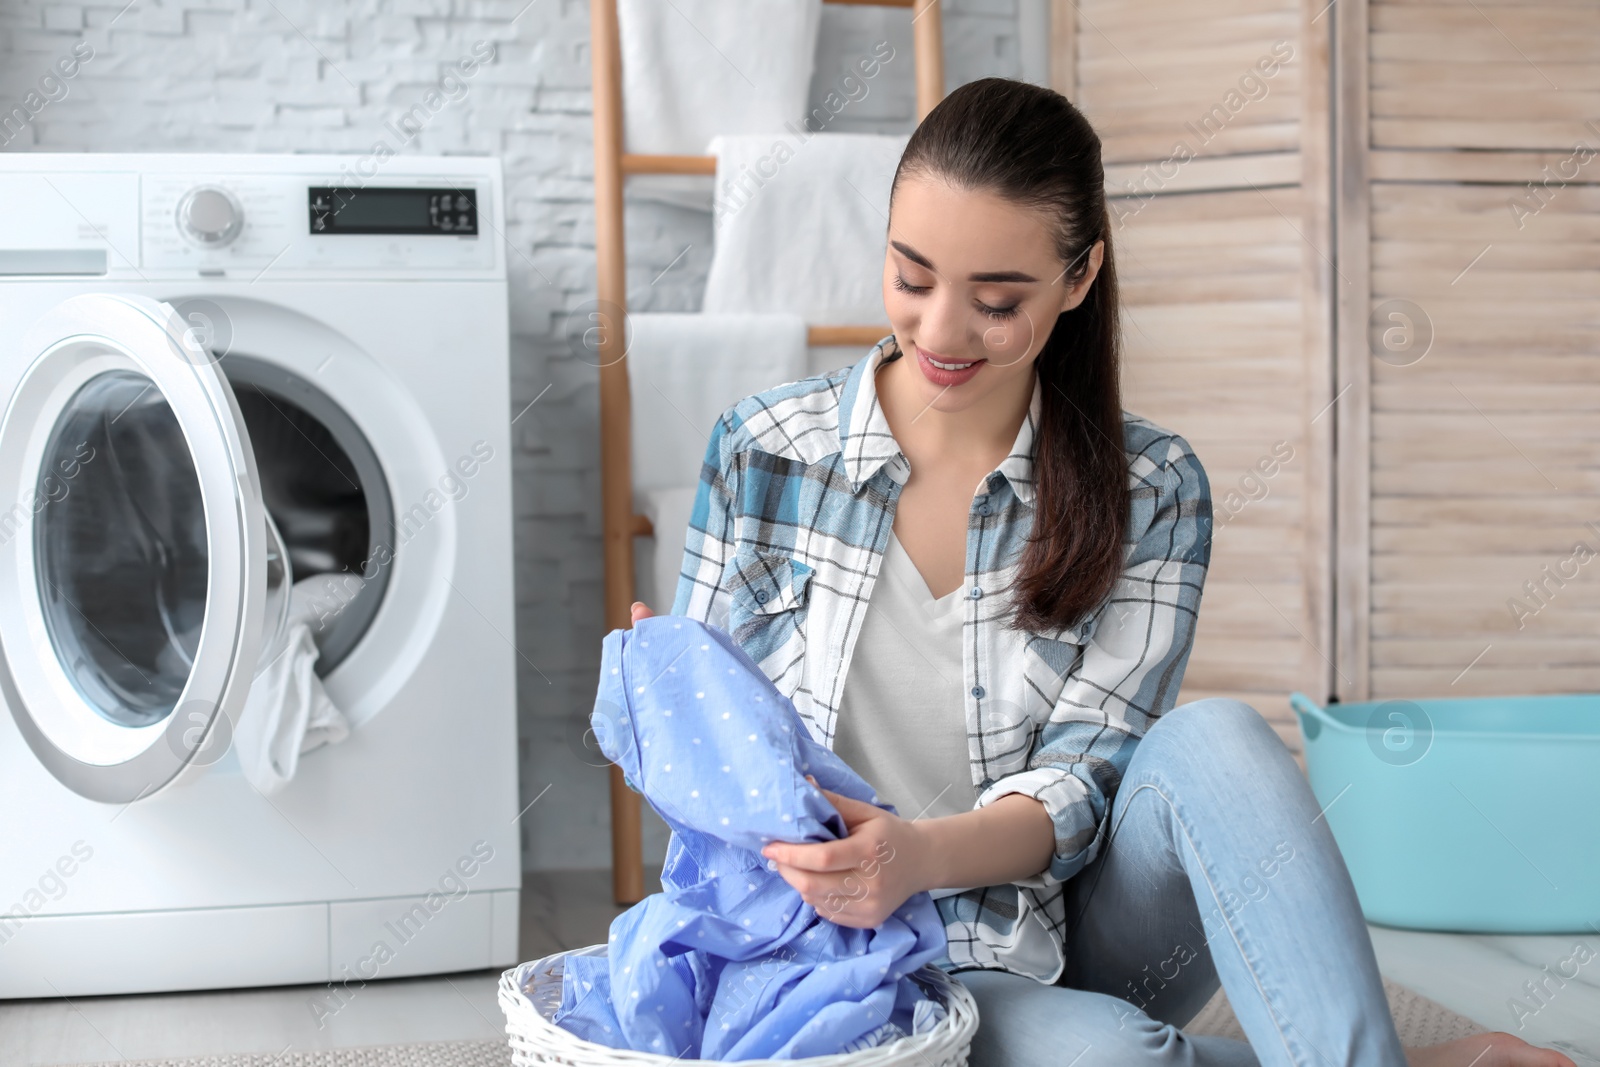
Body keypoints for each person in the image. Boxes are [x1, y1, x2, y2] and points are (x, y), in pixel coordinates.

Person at [628, 77, 1572, 1067]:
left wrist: (919, 856)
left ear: (1078, 279)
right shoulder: (762, 449)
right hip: (829, 948)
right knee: (1118, 1057)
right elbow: (717, 781)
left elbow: (1086, 778)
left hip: (1044, 927)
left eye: (996, 301)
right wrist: (669, 702)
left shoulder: (1150, 486)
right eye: (911, 277)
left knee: (1220, 737)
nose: (942, 330)